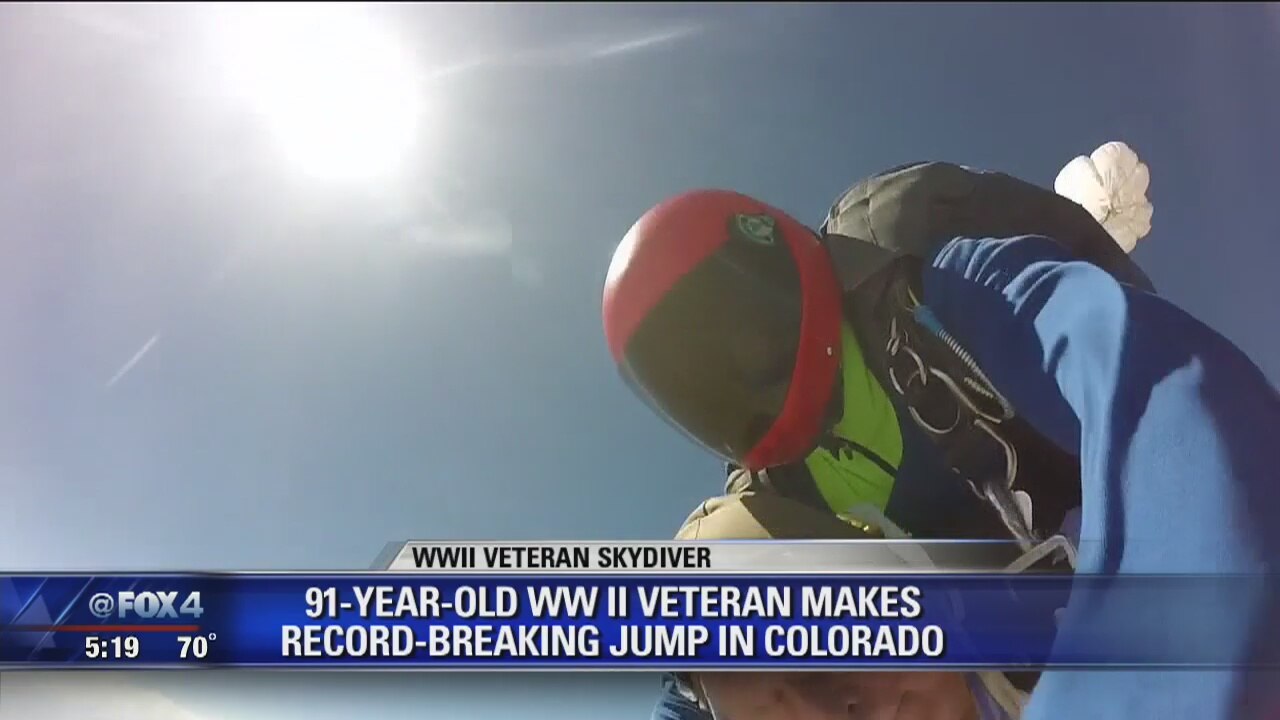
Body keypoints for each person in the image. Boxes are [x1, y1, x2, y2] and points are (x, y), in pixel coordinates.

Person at [603, 165, 1280, 719]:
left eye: (736, 343)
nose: (740, 388)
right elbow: (696, 673)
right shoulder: (776, 493)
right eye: (699, 386)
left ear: (769, 268)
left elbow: (1157, 390)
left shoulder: (936, 289)